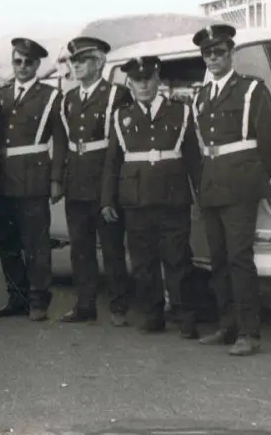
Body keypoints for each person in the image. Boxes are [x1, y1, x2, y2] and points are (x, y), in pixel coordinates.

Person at [191, 24, 271, 356]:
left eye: (218, 52)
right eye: (207, 54)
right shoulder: (199, 97)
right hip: (212, 185)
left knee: (239, 259)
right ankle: (227, 325)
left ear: (231, 54)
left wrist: (256, 178)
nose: (212, 58)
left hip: (240, 186)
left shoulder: (251, 90)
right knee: (217, 260)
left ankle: (249, 332)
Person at [101, 56, 202, 338]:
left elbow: (194, 158)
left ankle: (185, 317)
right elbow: (112, 162)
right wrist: (107, 200)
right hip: (136, 199)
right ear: (130, 84)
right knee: (143, 262)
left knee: (178, 259)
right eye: (137, 80)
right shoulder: (121, 117)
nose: (143, 85)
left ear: (158, 80)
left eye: (148, 79)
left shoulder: (181, 112)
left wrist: (203, 194)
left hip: (173, 197)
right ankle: (152, 314)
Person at [56, 36, 133, 325]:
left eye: (82, 60)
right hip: (76, 180)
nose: (76, 66)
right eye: (73, 61)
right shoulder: (69, 99)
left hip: (104, 179)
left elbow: (116, 146)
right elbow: (64, 142)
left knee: (112, 248)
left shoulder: (117, 95)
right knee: (80, 249)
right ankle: (84, 305)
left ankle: (118, 306)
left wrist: (109, 192)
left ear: (99, 62)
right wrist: (59, 179)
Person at [0, 38, 67, 321]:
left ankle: (38, 300)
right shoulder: (0, 95)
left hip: (34, 177)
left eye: (28, 62)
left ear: (37, 65)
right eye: (17, 61)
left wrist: (56, 178)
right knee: (9, 243)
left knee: (35, 244)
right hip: (3, 178)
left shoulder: (50, 96)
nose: (22, 67)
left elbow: (60, 141)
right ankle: (17, 298)